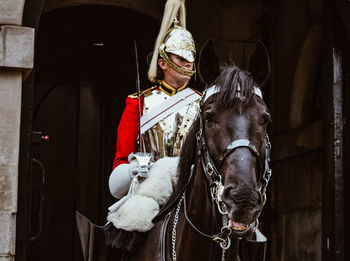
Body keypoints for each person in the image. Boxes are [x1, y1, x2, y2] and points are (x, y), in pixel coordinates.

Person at [105, 0, 201, 252]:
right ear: (162, 62)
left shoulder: (204, 104)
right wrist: (133, 170)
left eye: (191, 58)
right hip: (149, 190)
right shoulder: (138, 103)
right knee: (122, 234)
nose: (189, 64)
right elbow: (119, 164)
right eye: (181, 58)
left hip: (192, 190)